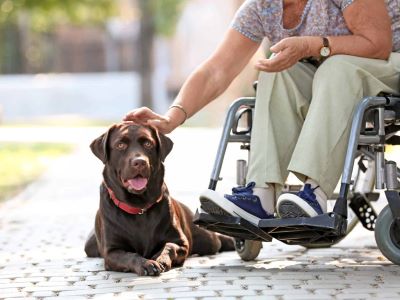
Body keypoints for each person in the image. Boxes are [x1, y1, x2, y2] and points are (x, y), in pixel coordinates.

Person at [124, 0, 400, 225]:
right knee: (275, 70)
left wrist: (309, 45)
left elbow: (377, 42)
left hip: (388, 64)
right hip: (330, 77)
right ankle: (261, 194)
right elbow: (216, 70)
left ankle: (314, 193)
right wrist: (172, 117)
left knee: (337, 67)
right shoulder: (261, 8)